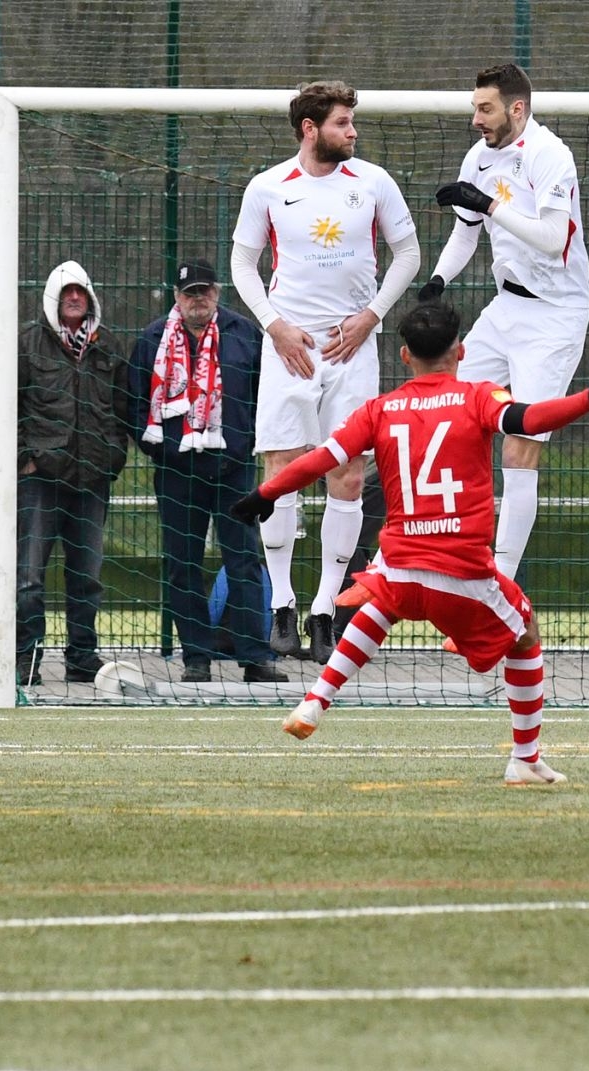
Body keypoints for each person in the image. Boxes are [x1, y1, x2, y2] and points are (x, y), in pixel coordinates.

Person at [230, 301, 589, 784]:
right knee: (525, 634)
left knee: (380, 602)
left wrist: (266, 493)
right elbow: (531, 420)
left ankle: (316, 700)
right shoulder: (479, 396)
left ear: (403, 357)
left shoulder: (379, 409)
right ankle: (524, 759)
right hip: (461, 570)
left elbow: (321, 460)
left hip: (398, 565)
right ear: (460, 352)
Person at [230, 80, 422, 666]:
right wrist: (273, 325)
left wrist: (371, 318)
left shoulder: (373, 182)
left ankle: (323, 609)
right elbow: (242, 262)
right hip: (290, 349)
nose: (353, 131)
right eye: (343, 122)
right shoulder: (267, 186)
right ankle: (282, 604)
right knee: (282, 470)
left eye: (352, 122)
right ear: (311, 129)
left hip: (351, 349)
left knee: (346, 475)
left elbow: (408, 253)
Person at [420, 62, 589, 579]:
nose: (477, 118)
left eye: (485, 108)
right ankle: (416, 560)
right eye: (475, 107)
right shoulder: (479, 156)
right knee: (443, 415)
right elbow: (466, 232)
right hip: (506, 308)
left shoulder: (549, 154)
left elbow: (551, 237)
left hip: (556, 314)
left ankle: (500, 584)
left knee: (519, 447)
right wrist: (436, 282)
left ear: (517, 108)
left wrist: (489, 205)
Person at [126, 259, 287, 684]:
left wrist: (244, 444)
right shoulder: (152, 339)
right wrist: (162, 451)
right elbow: (131, 403)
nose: (197, 298)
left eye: (204, 290)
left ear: (216, 292)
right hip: (177, 470)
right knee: (182, 564)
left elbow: (264, 395)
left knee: (245, 560)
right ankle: (196, 656)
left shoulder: (244, 334)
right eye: (189, 292)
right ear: (177, 296)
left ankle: (255, 656)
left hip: (233, 470)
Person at [15, 260, 128, 686]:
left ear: (91, 297)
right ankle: (25, 658)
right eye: (67, 292)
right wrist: (26, 455)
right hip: (40, 478)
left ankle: (82, 657)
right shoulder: (27, 343)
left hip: (92, 479)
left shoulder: (109, 347)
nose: (75, 298)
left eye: (81, 290)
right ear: (53, 298)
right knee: (28, 577)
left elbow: (123, 412)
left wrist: (113, 457)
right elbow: (6, 404)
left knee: (87, 578)